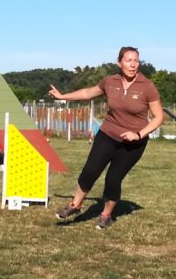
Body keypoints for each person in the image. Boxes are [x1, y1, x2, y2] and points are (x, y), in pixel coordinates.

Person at [48, 46, 164, 229]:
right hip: (108, 134)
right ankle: (75, 205)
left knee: (113, 179)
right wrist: (62, 97)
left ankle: (106, 215)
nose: (133, 65)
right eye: (129, 60)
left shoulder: (147, 86)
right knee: (90, 171)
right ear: (119, 63)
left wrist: (139, 134)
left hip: (133, 143)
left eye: (136, 61)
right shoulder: (110, 81)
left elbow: (159, 117)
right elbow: (87, 93)